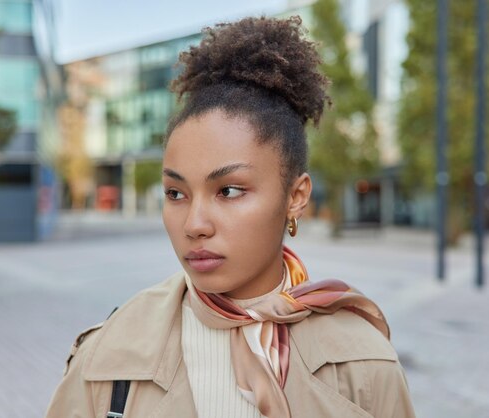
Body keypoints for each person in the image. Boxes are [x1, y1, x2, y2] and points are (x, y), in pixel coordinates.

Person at [45, 15, 416, 418]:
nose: (195, 224)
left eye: (230, 191)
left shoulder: (365, 366)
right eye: (176, 193)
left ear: (296, 196)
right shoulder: (105, 358)